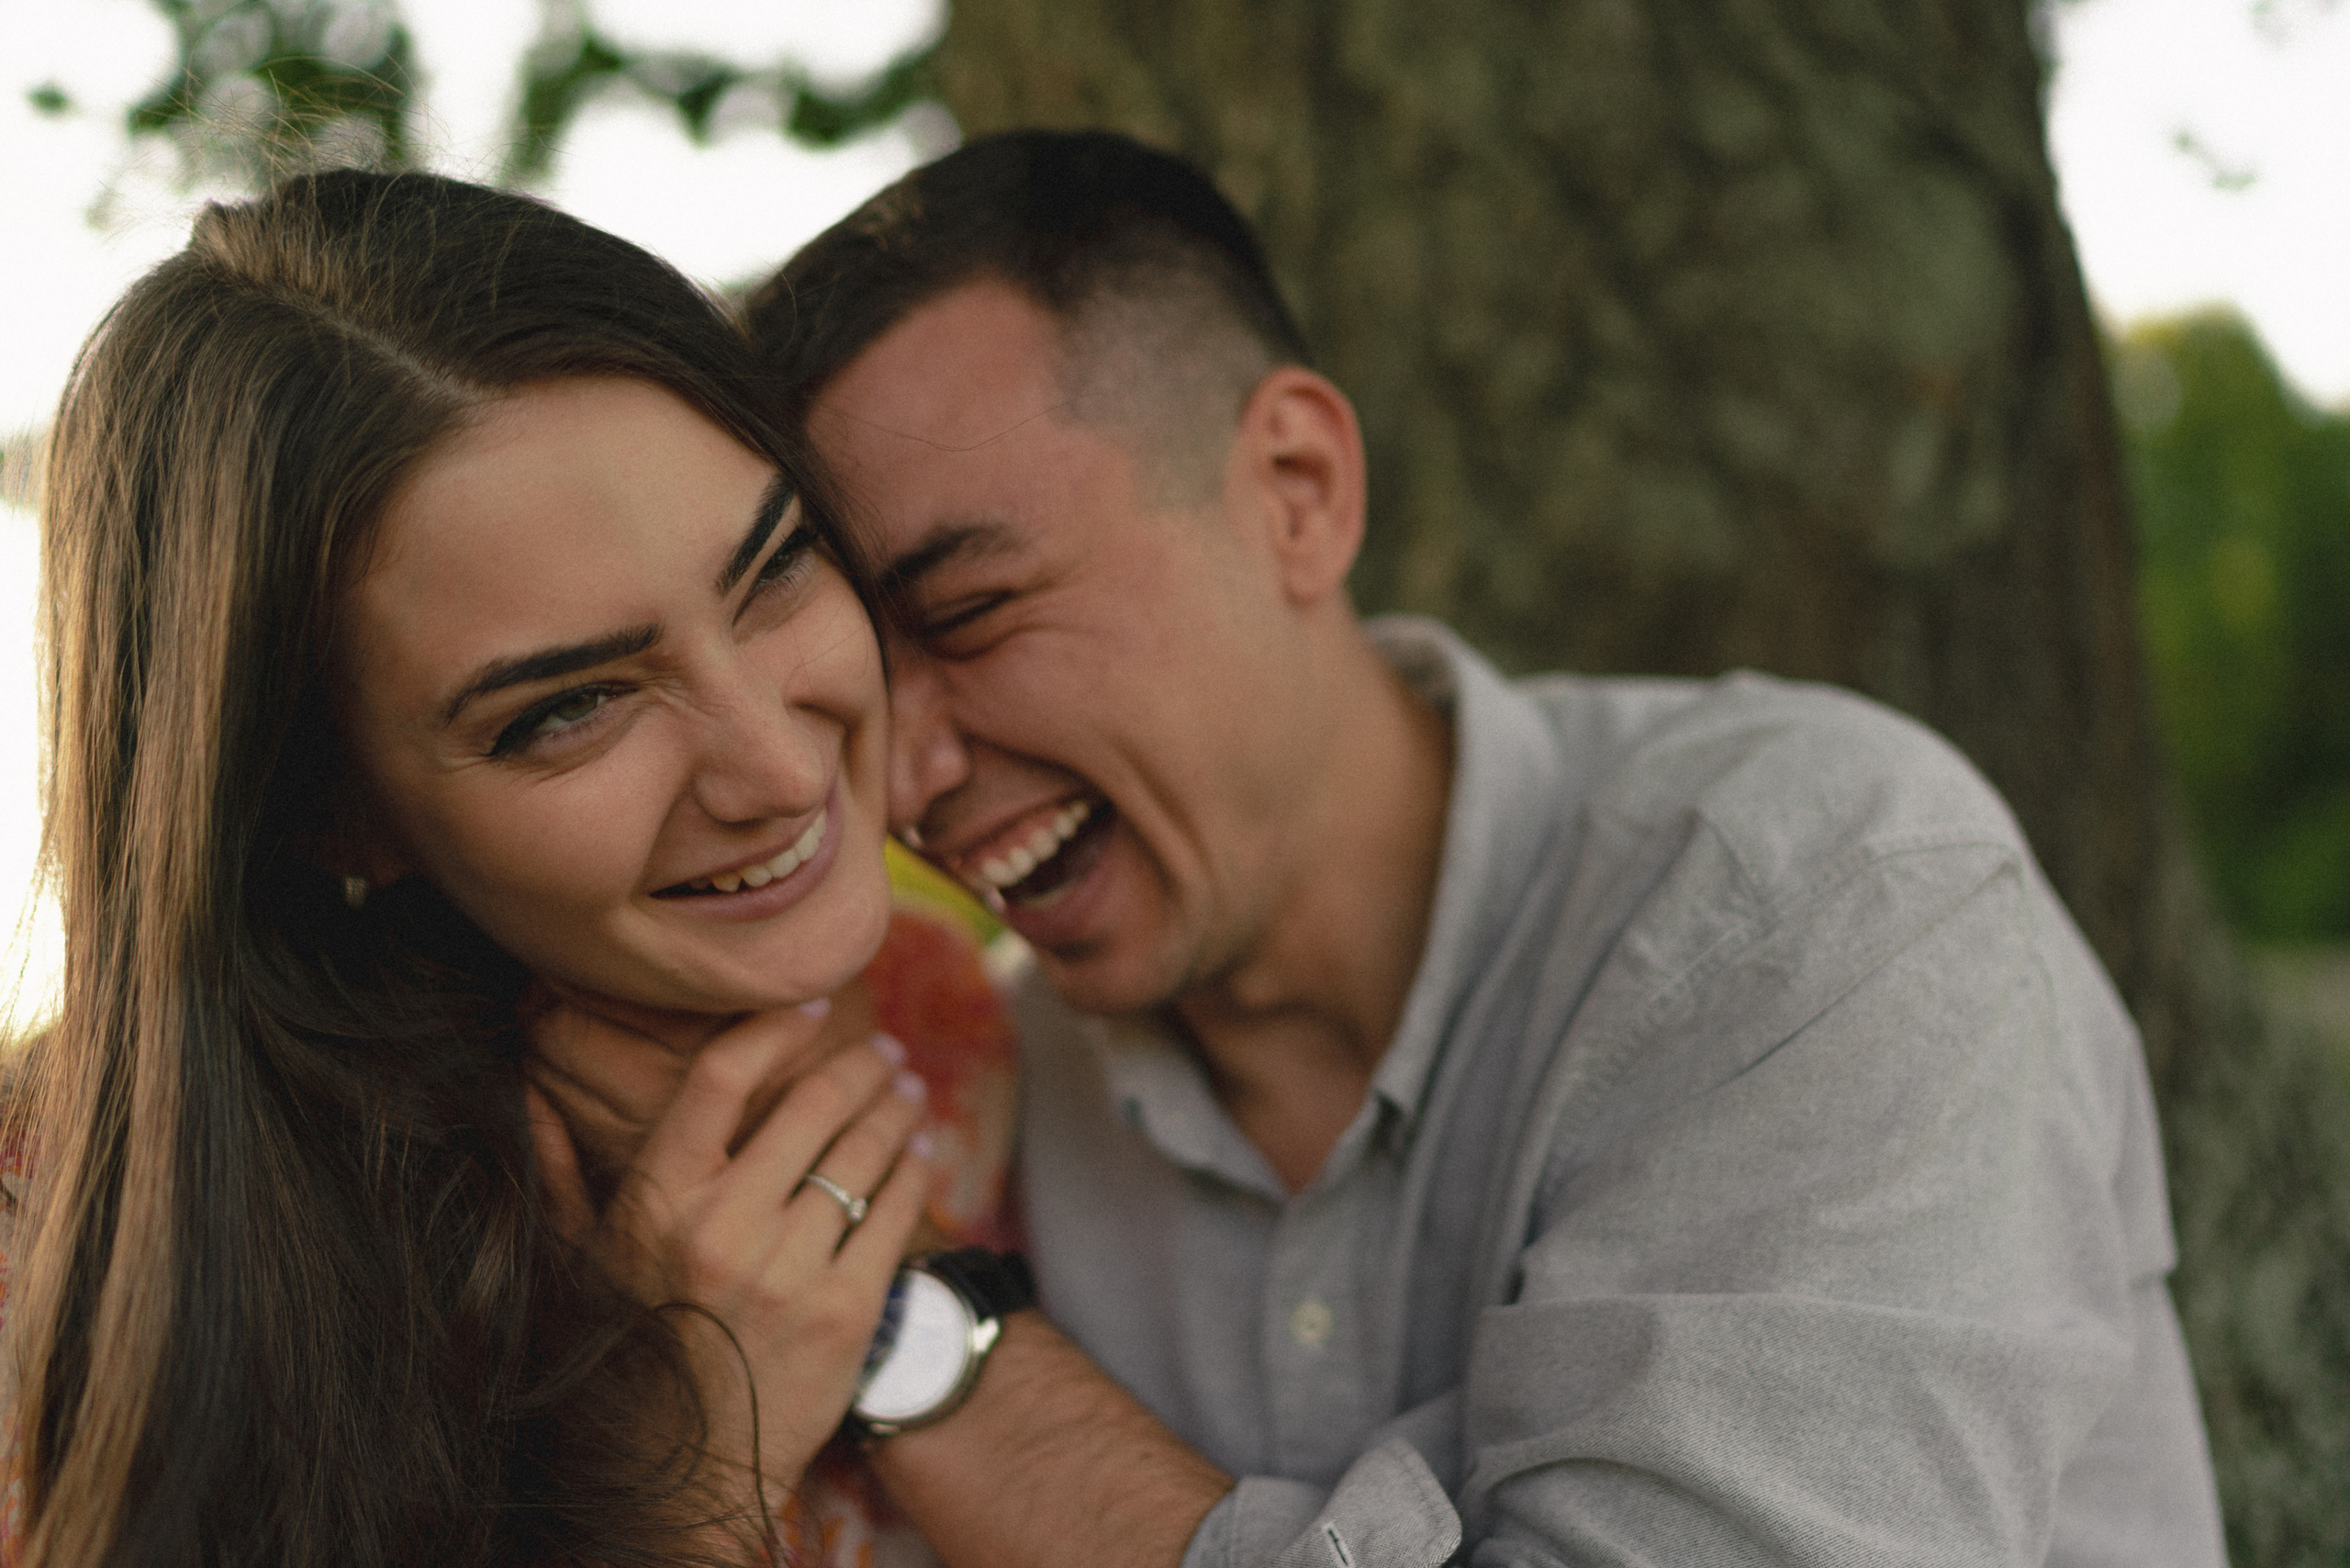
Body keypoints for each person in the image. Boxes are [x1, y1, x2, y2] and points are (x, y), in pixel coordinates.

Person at [727, 129, 2227, 1566]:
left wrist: (922, 1338)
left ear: (1296, 494)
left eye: (974, 612)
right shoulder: (984, 1086)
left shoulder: (1816, 888)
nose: (900, 775)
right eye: (852, 682)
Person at [0, 167, 1021, 1568]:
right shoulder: (43, 1263)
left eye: (776, 567)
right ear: (324, 812)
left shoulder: (942, 1022)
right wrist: (680, 1497)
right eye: (568, 707)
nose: (779, 772)